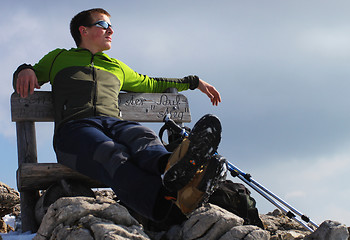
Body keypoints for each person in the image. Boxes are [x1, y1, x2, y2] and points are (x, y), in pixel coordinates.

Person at [13, 8, 225, 222]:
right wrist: (24, 69)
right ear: (83, 31)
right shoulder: (59, 57)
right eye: (104, 25)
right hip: (73, 132)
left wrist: (194, 82)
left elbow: (152, 83)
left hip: (114, 125)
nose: (111, 31)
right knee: (111, 152)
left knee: (141, 134)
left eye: (111, 26)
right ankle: (164, 207)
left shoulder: (116, 67)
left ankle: (174, 168)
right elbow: (29, 76)